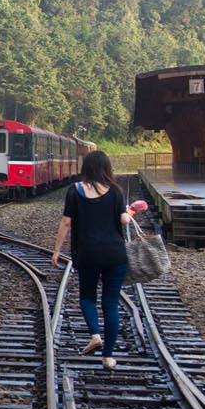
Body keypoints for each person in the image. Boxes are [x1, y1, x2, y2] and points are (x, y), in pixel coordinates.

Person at [51, 151, 136, 370]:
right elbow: (124, 221)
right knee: (111, 304)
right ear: (107, 168)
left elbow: (66, 222)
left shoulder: (75, 191)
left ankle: (95, 335)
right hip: (115, 255)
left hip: (88, 254)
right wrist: (131, 211)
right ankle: (108, 357)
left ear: (85, 168)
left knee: (87, 297)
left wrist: (57, 250)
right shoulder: (116, 192)